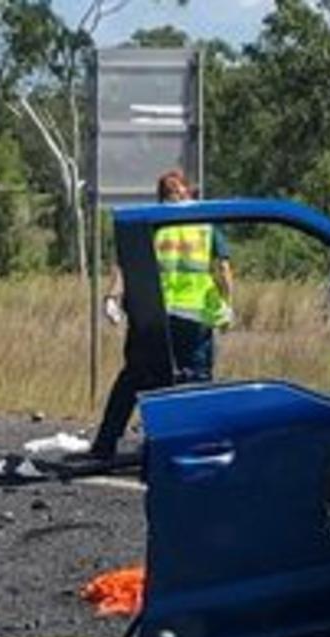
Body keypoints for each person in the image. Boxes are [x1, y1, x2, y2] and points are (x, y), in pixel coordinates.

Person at [84, 170, 234, 461]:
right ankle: (183, 448)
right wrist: (227, 305)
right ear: (188, 193)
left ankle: (105, 444)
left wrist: (112, 298)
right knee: (193, 383)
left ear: (160, 196)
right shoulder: (203, 225)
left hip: (152, 317)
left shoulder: (151, 224)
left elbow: (125, 265)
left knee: (135, 378)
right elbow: (223, 270)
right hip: (194, 319)